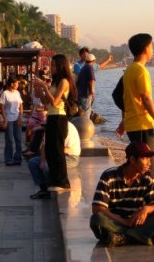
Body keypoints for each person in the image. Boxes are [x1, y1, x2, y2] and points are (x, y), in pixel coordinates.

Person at [90, 141, 154, 247]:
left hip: (137, 222)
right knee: (97, 219)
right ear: (132, 160)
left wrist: (146, 209)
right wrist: (123, 221)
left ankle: (123, 238)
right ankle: (139, 237)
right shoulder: (109, 176)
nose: (149, 163)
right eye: (145, 159)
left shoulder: (148, 176)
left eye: (149, 159)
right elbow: (97, 208)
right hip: (115, 223)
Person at [34, 54, 77, 192]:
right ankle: (55, 180)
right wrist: (38, 89)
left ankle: (63, 182)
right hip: (51, 116)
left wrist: (44, 87)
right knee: (50, 150)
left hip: (59, 117)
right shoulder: (54, 82)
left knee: (57, 151)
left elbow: (55, 102)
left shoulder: (64, 81)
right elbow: (46, 103)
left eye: (53, 65)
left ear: (60, 66)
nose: (51, 68)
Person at [117, 33, 154, 175]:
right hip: (142, 124)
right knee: (148, 166)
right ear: (146, 49)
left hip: (133, 124)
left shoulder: (129, 69)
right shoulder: (140, 70)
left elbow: (123, 97)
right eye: (151, 46)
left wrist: (124, 121)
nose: (152, 50)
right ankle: (148, 195)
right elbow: (146, 99)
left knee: (138, 165)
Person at [28, 120, 81, 199]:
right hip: (53, 155)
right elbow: (44, 146)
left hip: (70, 156)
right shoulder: (50, 128)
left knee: (48, 166)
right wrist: (42, 161)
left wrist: (50, 156)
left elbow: (68, 149)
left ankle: (51, 188)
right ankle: (44, 189)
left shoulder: (67, 128)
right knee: (33, 162)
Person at [0, 76, 23, 166]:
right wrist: (5, 120)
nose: (18, 85)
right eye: (16, 83)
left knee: (18, 139)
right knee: (9, 140)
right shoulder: (4, 93)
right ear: (12, 84)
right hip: (8, 118)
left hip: (17, 118)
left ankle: (18, 158)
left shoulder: (17, 93)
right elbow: (1, 107)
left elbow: (21, 105)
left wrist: (20, 117)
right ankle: (8, 158)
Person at [76, 53, 97, 118]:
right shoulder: (90, 68)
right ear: (93, 61)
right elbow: (91, 81)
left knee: (82, 112)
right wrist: (91, 92)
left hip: (80, 93)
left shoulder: (83, 68)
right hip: (86, 94)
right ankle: (85, 125)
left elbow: (78, 81)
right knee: (86, 112)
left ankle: (81, 125)